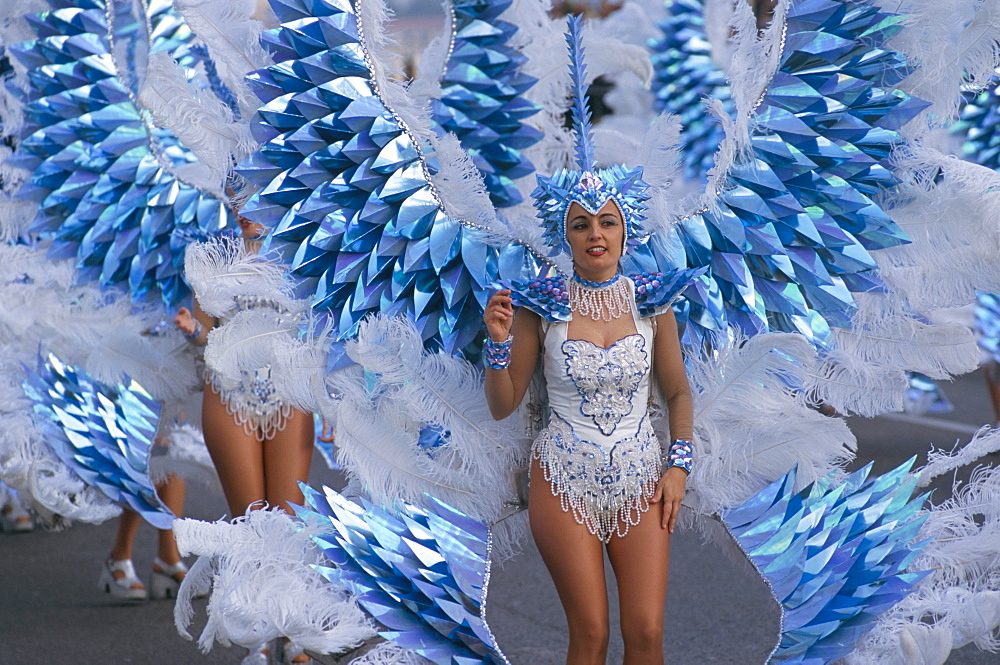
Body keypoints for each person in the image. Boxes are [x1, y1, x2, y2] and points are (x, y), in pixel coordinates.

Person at [481, 20, 695, 663]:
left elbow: (679, 390)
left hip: (641, 475)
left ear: (626, 233)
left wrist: (679, 465)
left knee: (648, 632)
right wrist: (495, 345)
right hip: (562, 478)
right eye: (580, 225)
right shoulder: (538, 303)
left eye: (607, 222)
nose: (594, 233)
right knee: (591, 634)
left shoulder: (654, 302)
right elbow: (503, 404)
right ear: (566, 236)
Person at [174, 204, 315, 664]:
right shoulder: (213, 258)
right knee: (250, 522)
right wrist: (194, 331)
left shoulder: (304, 250)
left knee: (287, 521)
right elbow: (206, 333)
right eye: (239, 196)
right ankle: (257, 635)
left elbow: (323, 327)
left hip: (287, 395)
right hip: (230, 394)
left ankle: (292, 628)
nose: (247, 207)